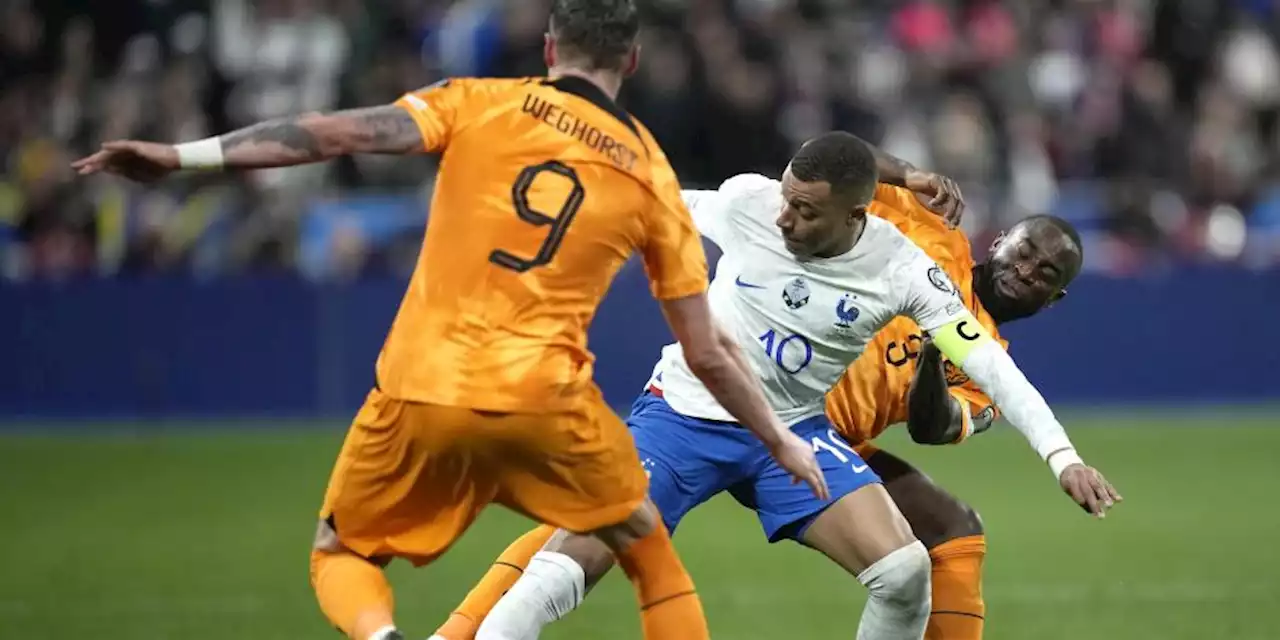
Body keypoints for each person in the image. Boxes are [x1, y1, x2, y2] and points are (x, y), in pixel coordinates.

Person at [71, 2, 828, 640]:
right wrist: (777, 439)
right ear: (630, 63)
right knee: (646, 546)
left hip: (420, 386)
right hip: (546, 403)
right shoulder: (650, 172)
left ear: (549, 46)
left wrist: (179, 158)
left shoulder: (478, 102)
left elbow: (334, 134)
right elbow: (706, 349)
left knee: (338, 552)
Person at [432, 132, 1121, 640]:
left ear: (855, 218)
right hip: (690, 414)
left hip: (801, 433)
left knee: (911, 567)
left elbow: (979, 384)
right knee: (584, 550)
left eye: (1043, 276)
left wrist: (1063, 457)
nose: (785, 219)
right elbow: (657, 195)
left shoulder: (913, 275)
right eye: (1024, 254)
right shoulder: (762, 206)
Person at [824, 184, 1098, 640]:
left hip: (829, 438)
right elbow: (841, 168)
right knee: (902, 573)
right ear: (999, 241)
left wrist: (933, 360)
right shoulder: (931, 233)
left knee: (955, 532)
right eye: (1024, 251)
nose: (1026, 270)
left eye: (1046, 273)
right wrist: (907, 174)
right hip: (775, 397)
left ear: (1053, 299)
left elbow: (931, 429)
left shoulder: (988, 373)